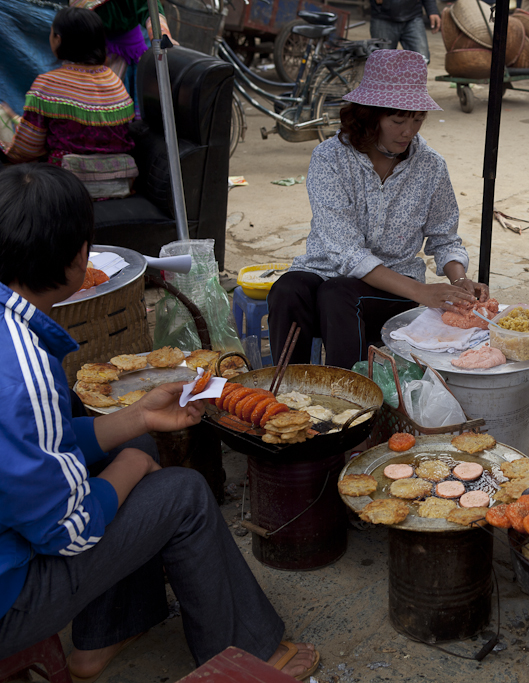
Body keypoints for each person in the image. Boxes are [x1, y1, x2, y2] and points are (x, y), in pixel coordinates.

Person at [0, 164, 319, 680]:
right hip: (10, 599)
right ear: (80, 257)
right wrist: (126, 467)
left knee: (140, 447)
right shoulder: (22, 366)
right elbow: (68, 531)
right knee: (183, 493)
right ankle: (248, 650)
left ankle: (106, 633)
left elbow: (31, 446)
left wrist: (136, 419)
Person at [268, 49, 488, 370]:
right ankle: (290, 394)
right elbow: (346, 253)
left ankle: (353, 407)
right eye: (398, 119)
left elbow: (444, 237)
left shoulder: (430, 166)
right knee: (287, 290)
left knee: (338, 296)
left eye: (417, 119)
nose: (408, 131)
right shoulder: (330, 159)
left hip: (391, 291)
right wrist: (424, 291)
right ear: (370, 115)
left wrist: (458, 280)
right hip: (327, 275)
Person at [0, 7, 134, 165]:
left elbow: (27, 150)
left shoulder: (48, 84)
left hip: (66, 181)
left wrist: (7, 147)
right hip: (120, 180)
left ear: (58, 39)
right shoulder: (114, 81)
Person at [369, 0, 440, 63]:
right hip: (383, 16)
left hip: (413, 15)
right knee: (382, 61)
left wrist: (432, 10)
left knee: (421, 59)